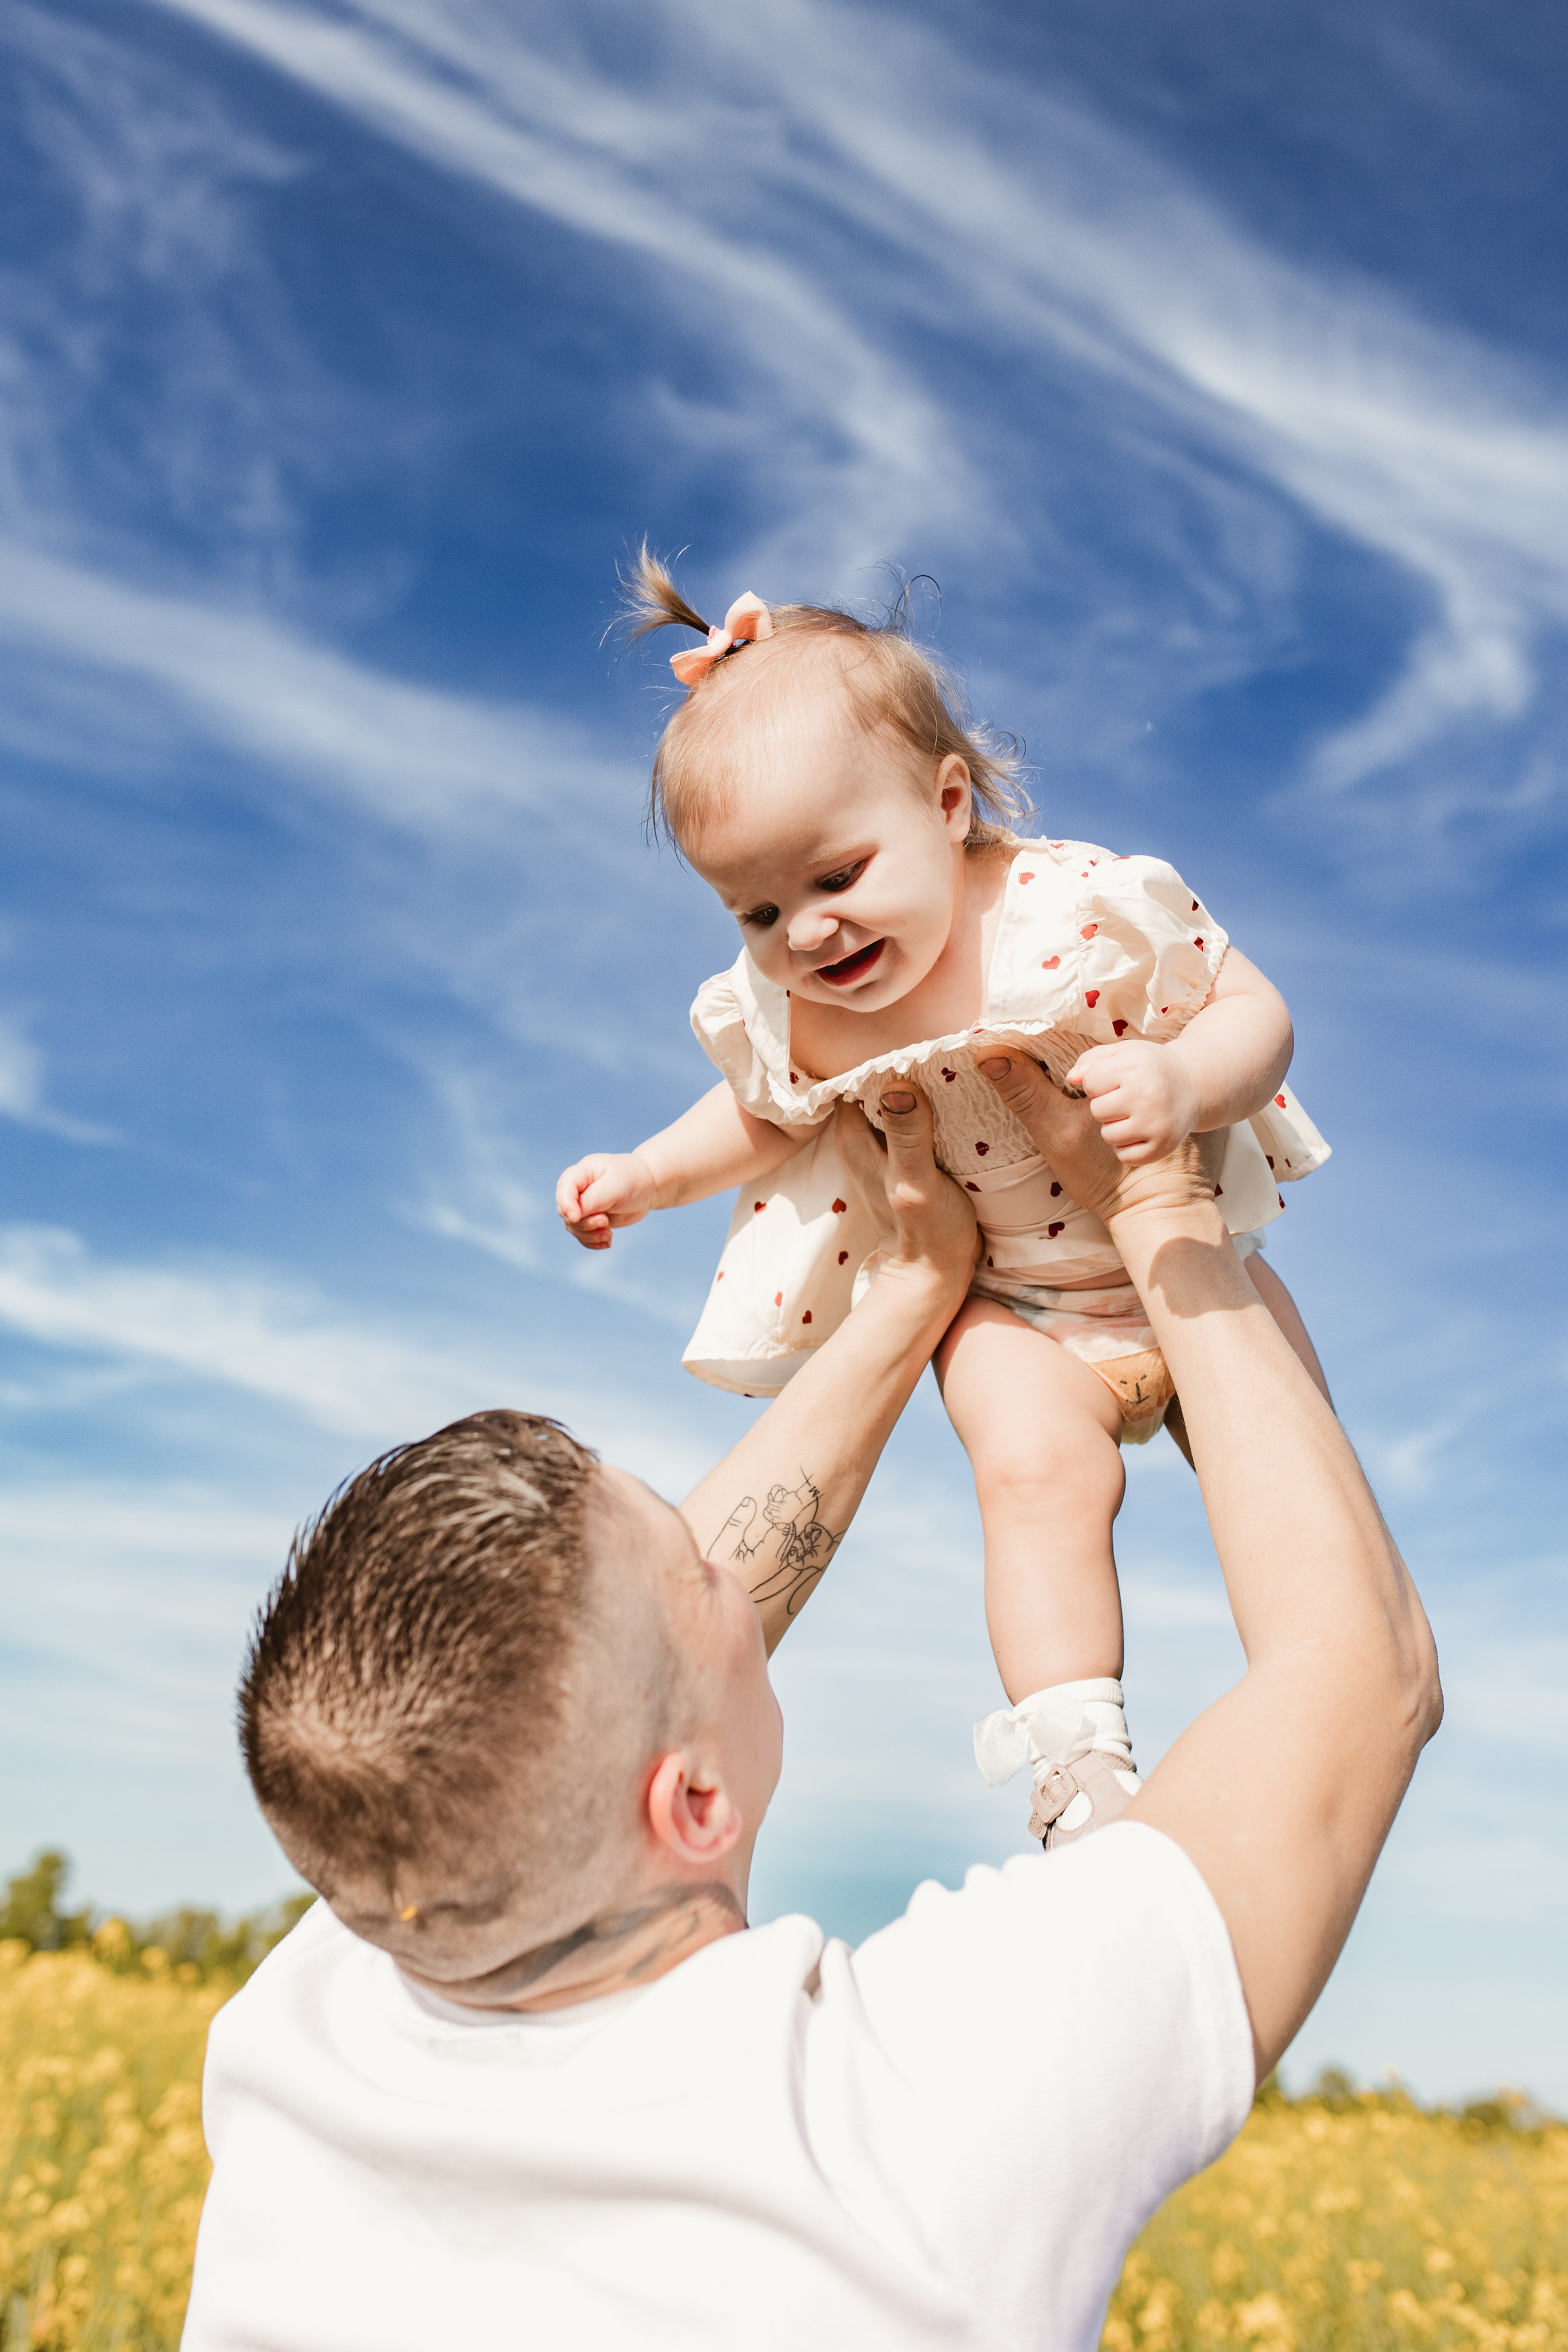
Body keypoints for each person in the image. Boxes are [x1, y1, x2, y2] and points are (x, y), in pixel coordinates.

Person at [184, 1065, 1439, 2352]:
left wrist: (907, 1292)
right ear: (693, 1804)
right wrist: (1160, 1208)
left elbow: (618, 1680)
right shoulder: (912, 2119)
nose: (725, 1568)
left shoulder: (323, 1995)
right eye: (693, 1570)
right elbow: (1359, 1673)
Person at [556, 553, 1333, 1844]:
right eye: (757, 910)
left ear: (948, 802)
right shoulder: (802, 1014)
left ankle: (1322, 1689)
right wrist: (647, 1173)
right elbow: (754, 1111)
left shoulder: (1064, 910)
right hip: (1016, 1313)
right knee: (1027, 1479)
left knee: (1285, 1470)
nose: (806, 933)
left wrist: (1183, 1075)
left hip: (1191, 1260)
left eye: (837, 876)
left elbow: (1253, 1008)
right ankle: (1073, 1757)